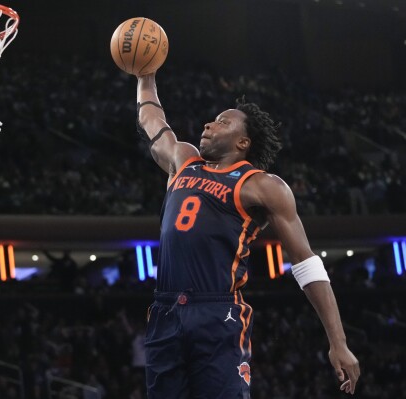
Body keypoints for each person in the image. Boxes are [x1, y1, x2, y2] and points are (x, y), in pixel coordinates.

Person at [135, 72, 360, 398]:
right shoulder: (183, 159)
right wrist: (145, 75)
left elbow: (306, 263)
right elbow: (151, 117)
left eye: (222, 122)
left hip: (217, 311)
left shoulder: (262, 185)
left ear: (243, 143)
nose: (208, 125)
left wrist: (338, 342)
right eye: (212, 121)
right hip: (165, 310)